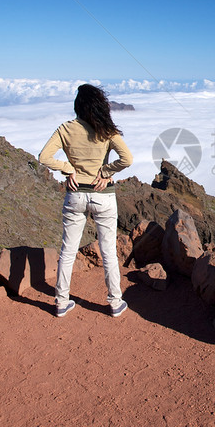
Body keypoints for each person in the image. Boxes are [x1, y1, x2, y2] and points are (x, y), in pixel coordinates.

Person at [39, 84, 133, 318]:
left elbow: (44, 157)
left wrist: (68, 169)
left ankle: (61, 302)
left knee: (68, 251)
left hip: (75, 195)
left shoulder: (66, 129)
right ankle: (115, 302)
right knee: (109, 251)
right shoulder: (107, 130)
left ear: (77, 106)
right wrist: (106, 172)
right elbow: (127, 159)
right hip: (103, 197)